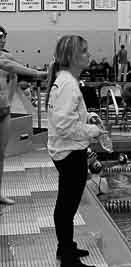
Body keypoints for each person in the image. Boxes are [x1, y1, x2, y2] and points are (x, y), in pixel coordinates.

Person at [47, 35, 107, 267]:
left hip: (65, 150)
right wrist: (92, 130)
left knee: (66, 204)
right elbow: (64, 126)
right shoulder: (68, 84)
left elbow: (68, 116)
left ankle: (66, 247)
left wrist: (88, 116)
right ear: (71, 57)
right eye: (84, 51)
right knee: (67, 206)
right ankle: (68, 260)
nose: (88, 55)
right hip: (69, 152)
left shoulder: (66, 80)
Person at [0, 25, 50, 205]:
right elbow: (8, 66)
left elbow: (13, 76)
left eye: (3, 36)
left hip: (3, 112)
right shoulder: (5, 61)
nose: (1, 39)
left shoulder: (8, 57)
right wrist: (41, 74)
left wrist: (9, 99)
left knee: (1, 154)